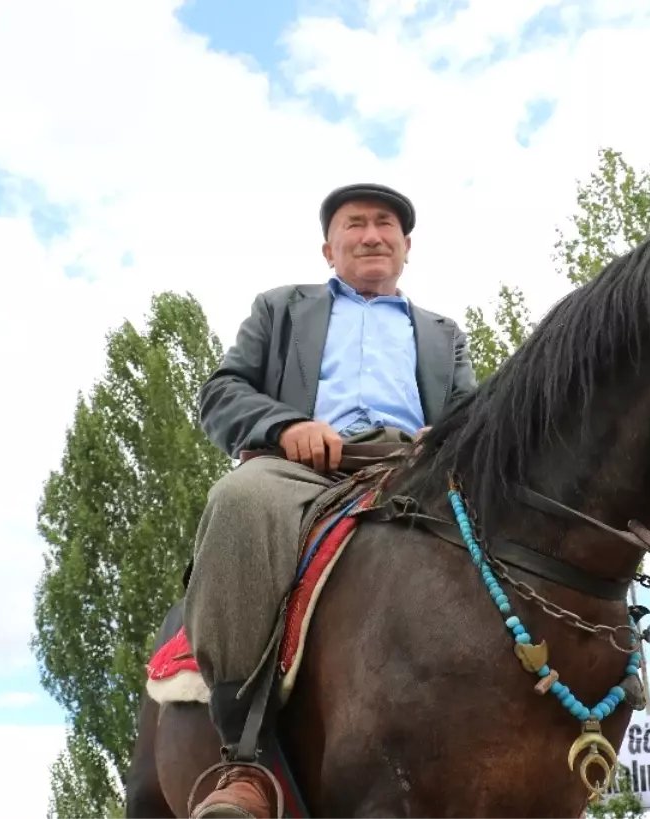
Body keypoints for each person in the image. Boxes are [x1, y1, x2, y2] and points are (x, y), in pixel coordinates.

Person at [184, 182, 477, 818]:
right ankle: (244, 761)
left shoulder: (444, 334)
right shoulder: (280, 309)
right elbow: (221, 392)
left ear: (406, 248)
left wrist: (448, 438)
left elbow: (473, 416)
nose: (371, 234)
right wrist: (285, 427)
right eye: (355, 225)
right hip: (304, 466)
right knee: (238, 499)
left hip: (417, 472)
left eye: (385, 225)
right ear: (328, 248)